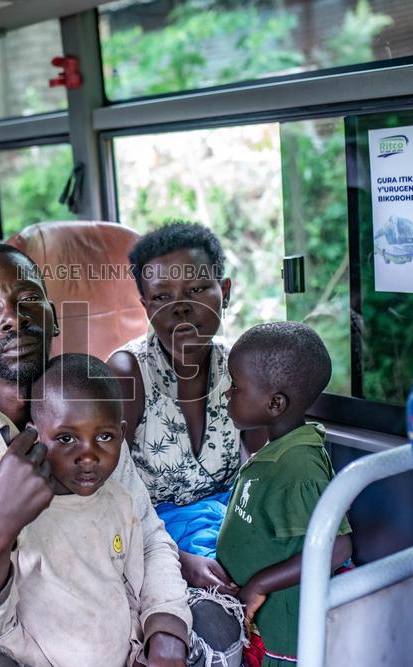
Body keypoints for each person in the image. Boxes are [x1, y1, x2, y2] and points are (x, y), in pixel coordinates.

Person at [0, 244, 242, 667]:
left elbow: (145, 536)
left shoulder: (82, 402)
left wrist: (165, 628)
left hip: (86, 581)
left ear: (52, 319)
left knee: (214, 624)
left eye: (28, 299)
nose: (13, 317)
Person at [0, 352, 210, 666]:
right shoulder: (20, 514)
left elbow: (134, 579)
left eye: (104, 437)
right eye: (66, 438)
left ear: (122, 435)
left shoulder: (120, 501)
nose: (88, 456)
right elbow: (3, 621)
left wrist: (160, 630)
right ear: (33, 436)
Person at [108, 221, 260, 591]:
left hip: (231, 521)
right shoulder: (128, 372)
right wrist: (179, 560)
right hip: (153, 536)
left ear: (224, 291)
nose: (181, 308)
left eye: (196, 289)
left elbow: (260, 471)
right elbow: (105, 496)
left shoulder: (241, 367)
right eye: (162, 297)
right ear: (146, 308)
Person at [216, 322, 352, 666]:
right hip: (260, 620)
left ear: (275, 403)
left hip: (284, 635)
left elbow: (337, 547)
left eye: (236, 386)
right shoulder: (277, 450)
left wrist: (259, 584)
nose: (227, 394)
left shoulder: (297, 469)